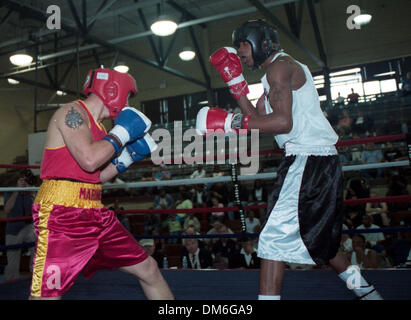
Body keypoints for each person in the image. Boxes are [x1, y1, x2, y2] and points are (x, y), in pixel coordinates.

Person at [197, 19, 382, 300]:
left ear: (260, 42)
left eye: (243, 45)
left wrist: (230, 122)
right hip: (309, 159)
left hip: (309, 159)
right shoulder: (272, 76)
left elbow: (282, 122)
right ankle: (368, 294)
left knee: (271, 241)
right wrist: (236, 84)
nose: (240, 52)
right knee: (325, 244)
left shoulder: (279, 68)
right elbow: (261, 120)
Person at [29, 67, 173, 300]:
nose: (127, 103)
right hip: (61, 215)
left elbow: (95, 176)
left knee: (148, 268)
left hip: (95, 212)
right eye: (128, 96)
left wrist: (127, 158)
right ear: (114, 90)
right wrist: (122, 134)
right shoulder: (72, 112)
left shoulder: (102, 130)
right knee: (47, 294)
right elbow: (89, 160)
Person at [3, 170, 37, 281]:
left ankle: (34, 273)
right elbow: (7, 210)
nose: (25, 183)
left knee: (37, 240)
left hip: (28, 227)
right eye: (23, 180)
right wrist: (17, 190)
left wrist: (32, 194)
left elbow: (37, 211)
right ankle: (11, 281)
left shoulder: (30, 192)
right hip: (13, 228)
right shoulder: (11, 191)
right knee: (12, 261)